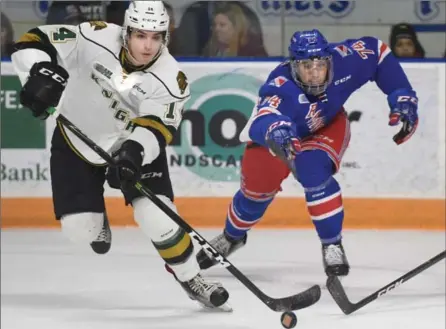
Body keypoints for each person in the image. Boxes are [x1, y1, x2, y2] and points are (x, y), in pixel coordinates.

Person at [11, 0, 229, 310]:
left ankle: (191, 277)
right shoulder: (94, 37)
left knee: (157, 217)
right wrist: (38, 71)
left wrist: (133, 154)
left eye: (156, 37)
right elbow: (35, 39)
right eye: (140, 35)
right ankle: (98, 223)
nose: (148, 45)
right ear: (126, 32)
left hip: (133, 147)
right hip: (76, 140)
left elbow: (158, 127)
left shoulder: (171, 79)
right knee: (79, 229)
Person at [197, 29, 419, 277]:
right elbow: (263, 118)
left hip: (328, 125)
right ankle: (232, 237)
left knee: (313, 171)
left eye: (320, 64)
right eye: (306, 66)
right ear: (294, 65)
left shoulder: (345, 59)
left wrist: (401, 93)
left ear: (329, 61)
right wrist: (274, 129)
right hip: (281, 135)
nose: (314, 72)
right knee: (254, 193)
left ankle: (332, 244)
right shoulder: (280, 85)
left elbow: (378, 52)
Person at [202, 3, 268, 57]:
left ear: (236, 27)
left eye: (222, 25)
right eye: (214, 25)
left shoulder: (253, 50)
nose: (216, 29)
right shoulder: (210, 48)